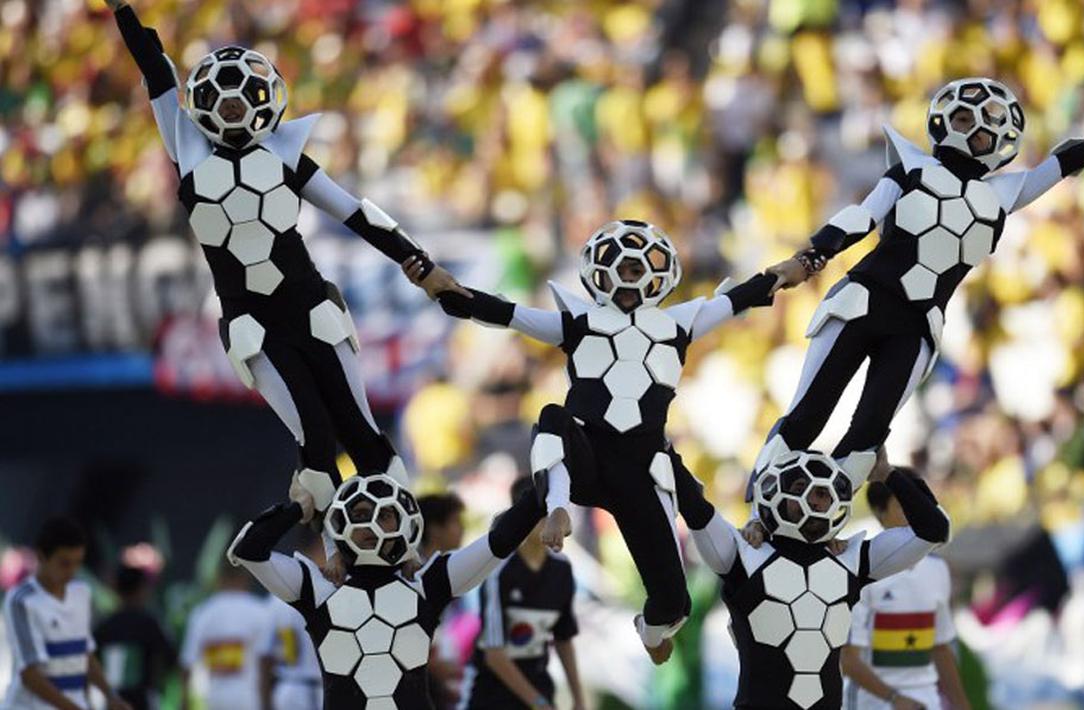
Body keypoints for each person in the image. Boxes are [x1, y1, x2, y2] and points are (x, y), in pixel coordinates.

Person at [102, 0, 469, 517]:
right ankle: (337, 554)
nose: (232, 105)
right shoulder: (186, 149)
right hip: (252, 324)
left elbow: (357, 214)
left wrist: (422, 268)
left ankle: (404, 546)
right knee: (315, 446)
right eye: (220, 96)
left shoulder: (286, 154)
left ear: (265, 98)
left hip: (313, 307)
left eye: (243, 96)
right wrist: (123, 11)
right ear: (202, 101)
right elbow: (156, 71)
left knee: (362, 434)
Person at [754, 76, 1084, 489]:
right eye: (963, 119)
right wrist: (808, 259)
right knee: (808, 415)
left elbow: (1074, 157)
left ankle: (820, 526)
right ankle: (761, 503)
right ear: (944, 118)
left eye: (986, 125)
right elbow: (860, 218)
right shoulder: (911, 168)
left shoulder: (1005, 194)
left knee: (865, 441)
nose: (974, 128)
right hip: (862, 301)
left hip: (917, 326)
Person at [418, 218, 804, 663]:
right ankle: (555, 508)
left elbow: (742, 296)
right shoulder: (578, 322)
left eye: (638, 269)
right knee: (551, 419)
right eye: (620, 267)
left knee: (673, 603)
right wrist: (439, 286)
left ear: (660, 274)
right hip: (582, 459)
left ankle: (647, 625)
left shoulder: (678, 323)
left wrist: (794, 267)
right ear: (598, 271)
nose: (628, 278)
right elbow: (504, 312)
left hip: (641, 472)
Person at [226, 471, 553, 709]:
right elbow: (249, 550)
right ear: (341, 525)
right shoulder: (318, 588)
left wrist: (543, 491)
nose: (370, 525)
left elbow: (498, 542)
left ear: (404, 524)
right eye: (360, 515)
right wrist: (300, 508)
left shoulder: (427, 583)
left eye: (384, 516)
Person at [672, 449, 950, 709]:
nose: (812, 500)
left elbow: (934, 529)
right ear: (776, 492)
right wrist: (660, 445)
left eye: (822, 492)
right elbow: (694, 506)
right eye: (799, 489)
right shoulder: (743, 553)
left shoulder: (851, 559)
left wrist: (887, 474)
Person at [840, 475, 969, 710]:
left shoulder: (938, 569)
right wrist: (894, 699)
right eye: (903, 505)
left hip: (926, 702)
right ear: (880, 513)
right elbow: (848, 659)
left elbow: (940, 648)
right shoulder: (860, 571)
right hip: (872, 704)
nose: (916, 513)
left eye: (921, 504)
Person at [459, 476, 584, 710]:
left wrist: (579, 700)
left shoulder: (562, 570)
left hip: (538, 686)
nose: (551, 520)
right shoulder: (498, 570)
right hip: (490, 696)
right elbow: (494, 655)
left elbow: (563, 637)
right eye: (544, 511)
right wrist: (539, 704)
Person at [2, 517, 131, 710]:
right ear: (42, 557)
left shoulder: (81, 592)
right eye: (64, 563)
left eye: (77, 562)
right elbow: (29, 675)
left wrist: (110, 695)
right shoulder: (20, 600)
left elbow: (84, 654)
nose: (72, 571)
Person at [179, 563, 273, 710]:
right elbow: (266, 662)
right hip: (250, 700)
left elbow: (187, 662)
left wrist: (184, 702)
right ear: (246, 577)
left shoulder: (203, 613)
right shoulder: (260, 611)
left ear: (219, 578)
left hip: (214, 700)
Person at [94, 565, 177, 710]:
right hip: (143, 699)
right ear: (142, 589)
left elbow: (92, 662)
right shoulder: (149, 624)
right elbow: (170, 658)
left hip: (112, 701)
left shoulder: (105, 626)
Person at [417, 492, 467, 709]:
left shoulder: (448, 572)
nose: (462, 529)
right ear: (435, 529)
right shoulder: (416, 576)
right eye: (455, 522)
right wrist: (434, 665)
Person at [263, 591, 323, 710]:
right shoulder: (325, 590)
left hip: (290, 687)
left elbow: (265, 655)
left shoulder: (275, 599)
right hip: (319, 686)